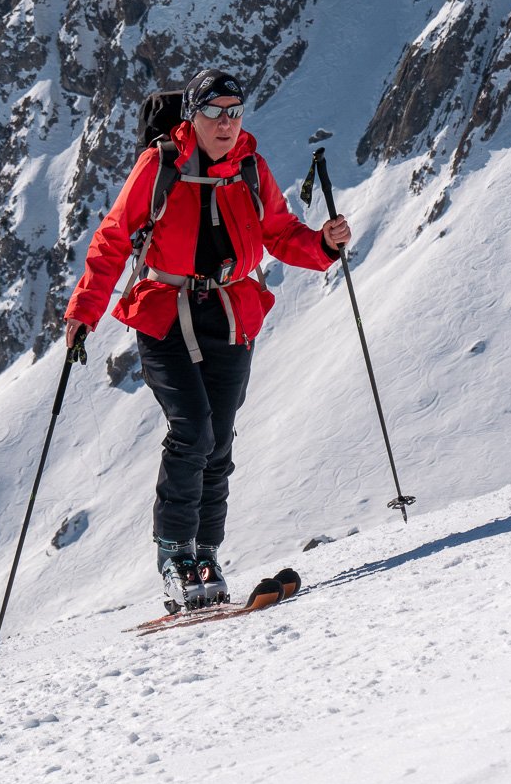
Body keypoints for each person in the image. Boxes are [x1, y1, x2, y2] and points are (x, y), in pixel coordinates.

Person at [64, 69, 351, 612]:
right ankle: (174, 556)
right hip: (165, 313)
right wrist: (84, 311)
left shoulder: (250, 168)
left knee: (218, 439)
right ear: (192, 117)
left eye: (234, 112)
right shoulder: (160, 165)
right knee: (192, 429)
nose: (226, 122)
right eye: (214, 112)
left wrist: (323, 246)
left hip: (230, 314)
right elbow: (113, 238)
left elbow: (280, 232)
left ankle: (206, 555)